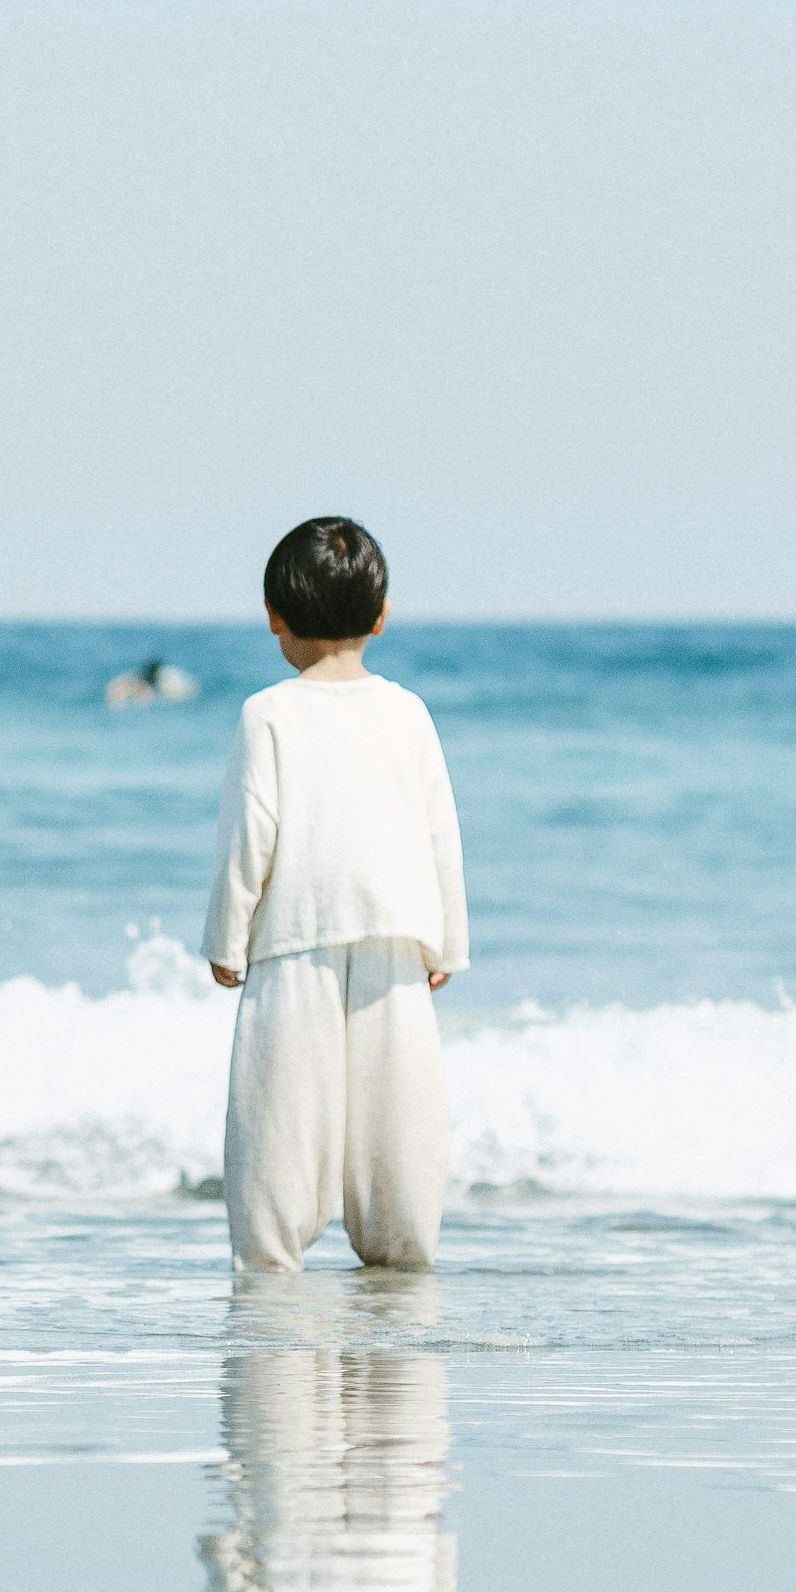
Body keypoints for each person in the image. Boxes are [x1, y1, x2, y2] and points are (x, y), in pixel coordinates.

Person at [200, 516, 469, 1272]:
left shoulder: (269, 714)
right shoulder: (408, 711)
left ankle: (276, 1323)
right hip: (395, 943)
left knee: (277, 1147)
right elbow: (439, 831)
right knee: (398, 1146)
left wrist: (227, 939)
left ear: (274, 616)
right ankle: (398, 1304)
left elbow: (250, 835)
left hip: (293, 942)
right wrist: (447, 940)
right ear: (381, 616)